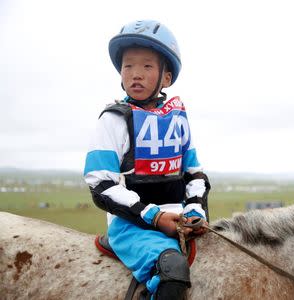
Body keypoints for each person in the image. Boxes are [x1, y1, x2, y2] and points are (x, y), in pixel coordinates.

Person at [83, 19, 210, 299]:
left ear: (166, 77)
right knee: (173, 271)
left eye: (147, 66)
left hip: (179, 219)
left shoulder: (177, 119)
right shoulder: (113, 120)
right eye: (128, 66)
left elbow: (195, 175)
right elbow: (101, 184)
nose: (135, 74)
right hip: (131, 225)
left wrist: (196, 210)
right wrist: (154, 216)